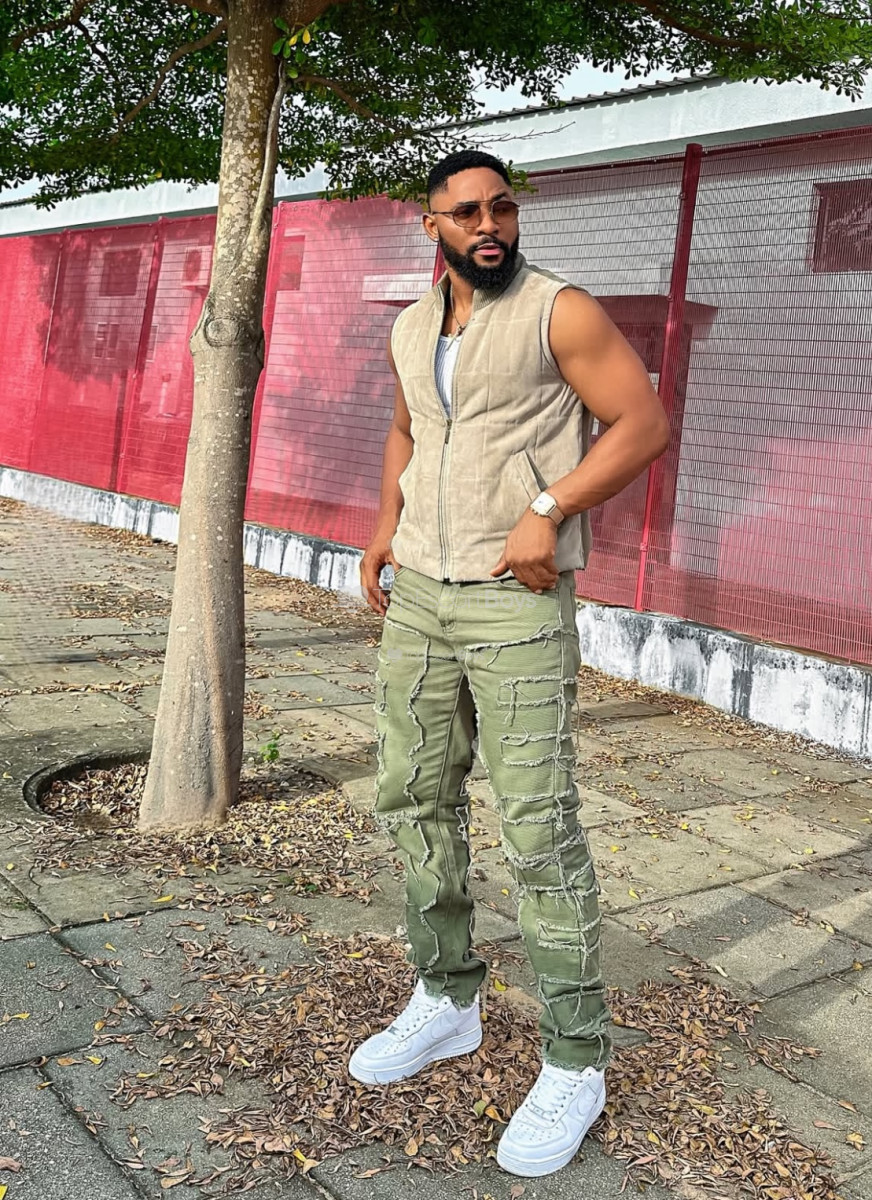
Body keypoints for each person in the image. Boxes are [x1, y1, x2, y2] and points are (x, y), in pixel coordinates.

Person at [353, 149, 669, 1179]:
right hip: (420, 597)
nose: (486, 225)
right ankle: (447, 996)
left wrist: (549, 507)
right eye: (464, 213)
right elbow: (408, 427)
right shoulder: (411, 326)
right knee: (412, 796)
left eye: (499, 208)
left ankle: (577, 1058)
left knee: (536, 825)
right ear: (432, 227)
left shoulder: (556, 311)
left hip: (514, 598)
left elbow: (642, 423)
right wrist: (384, 526)